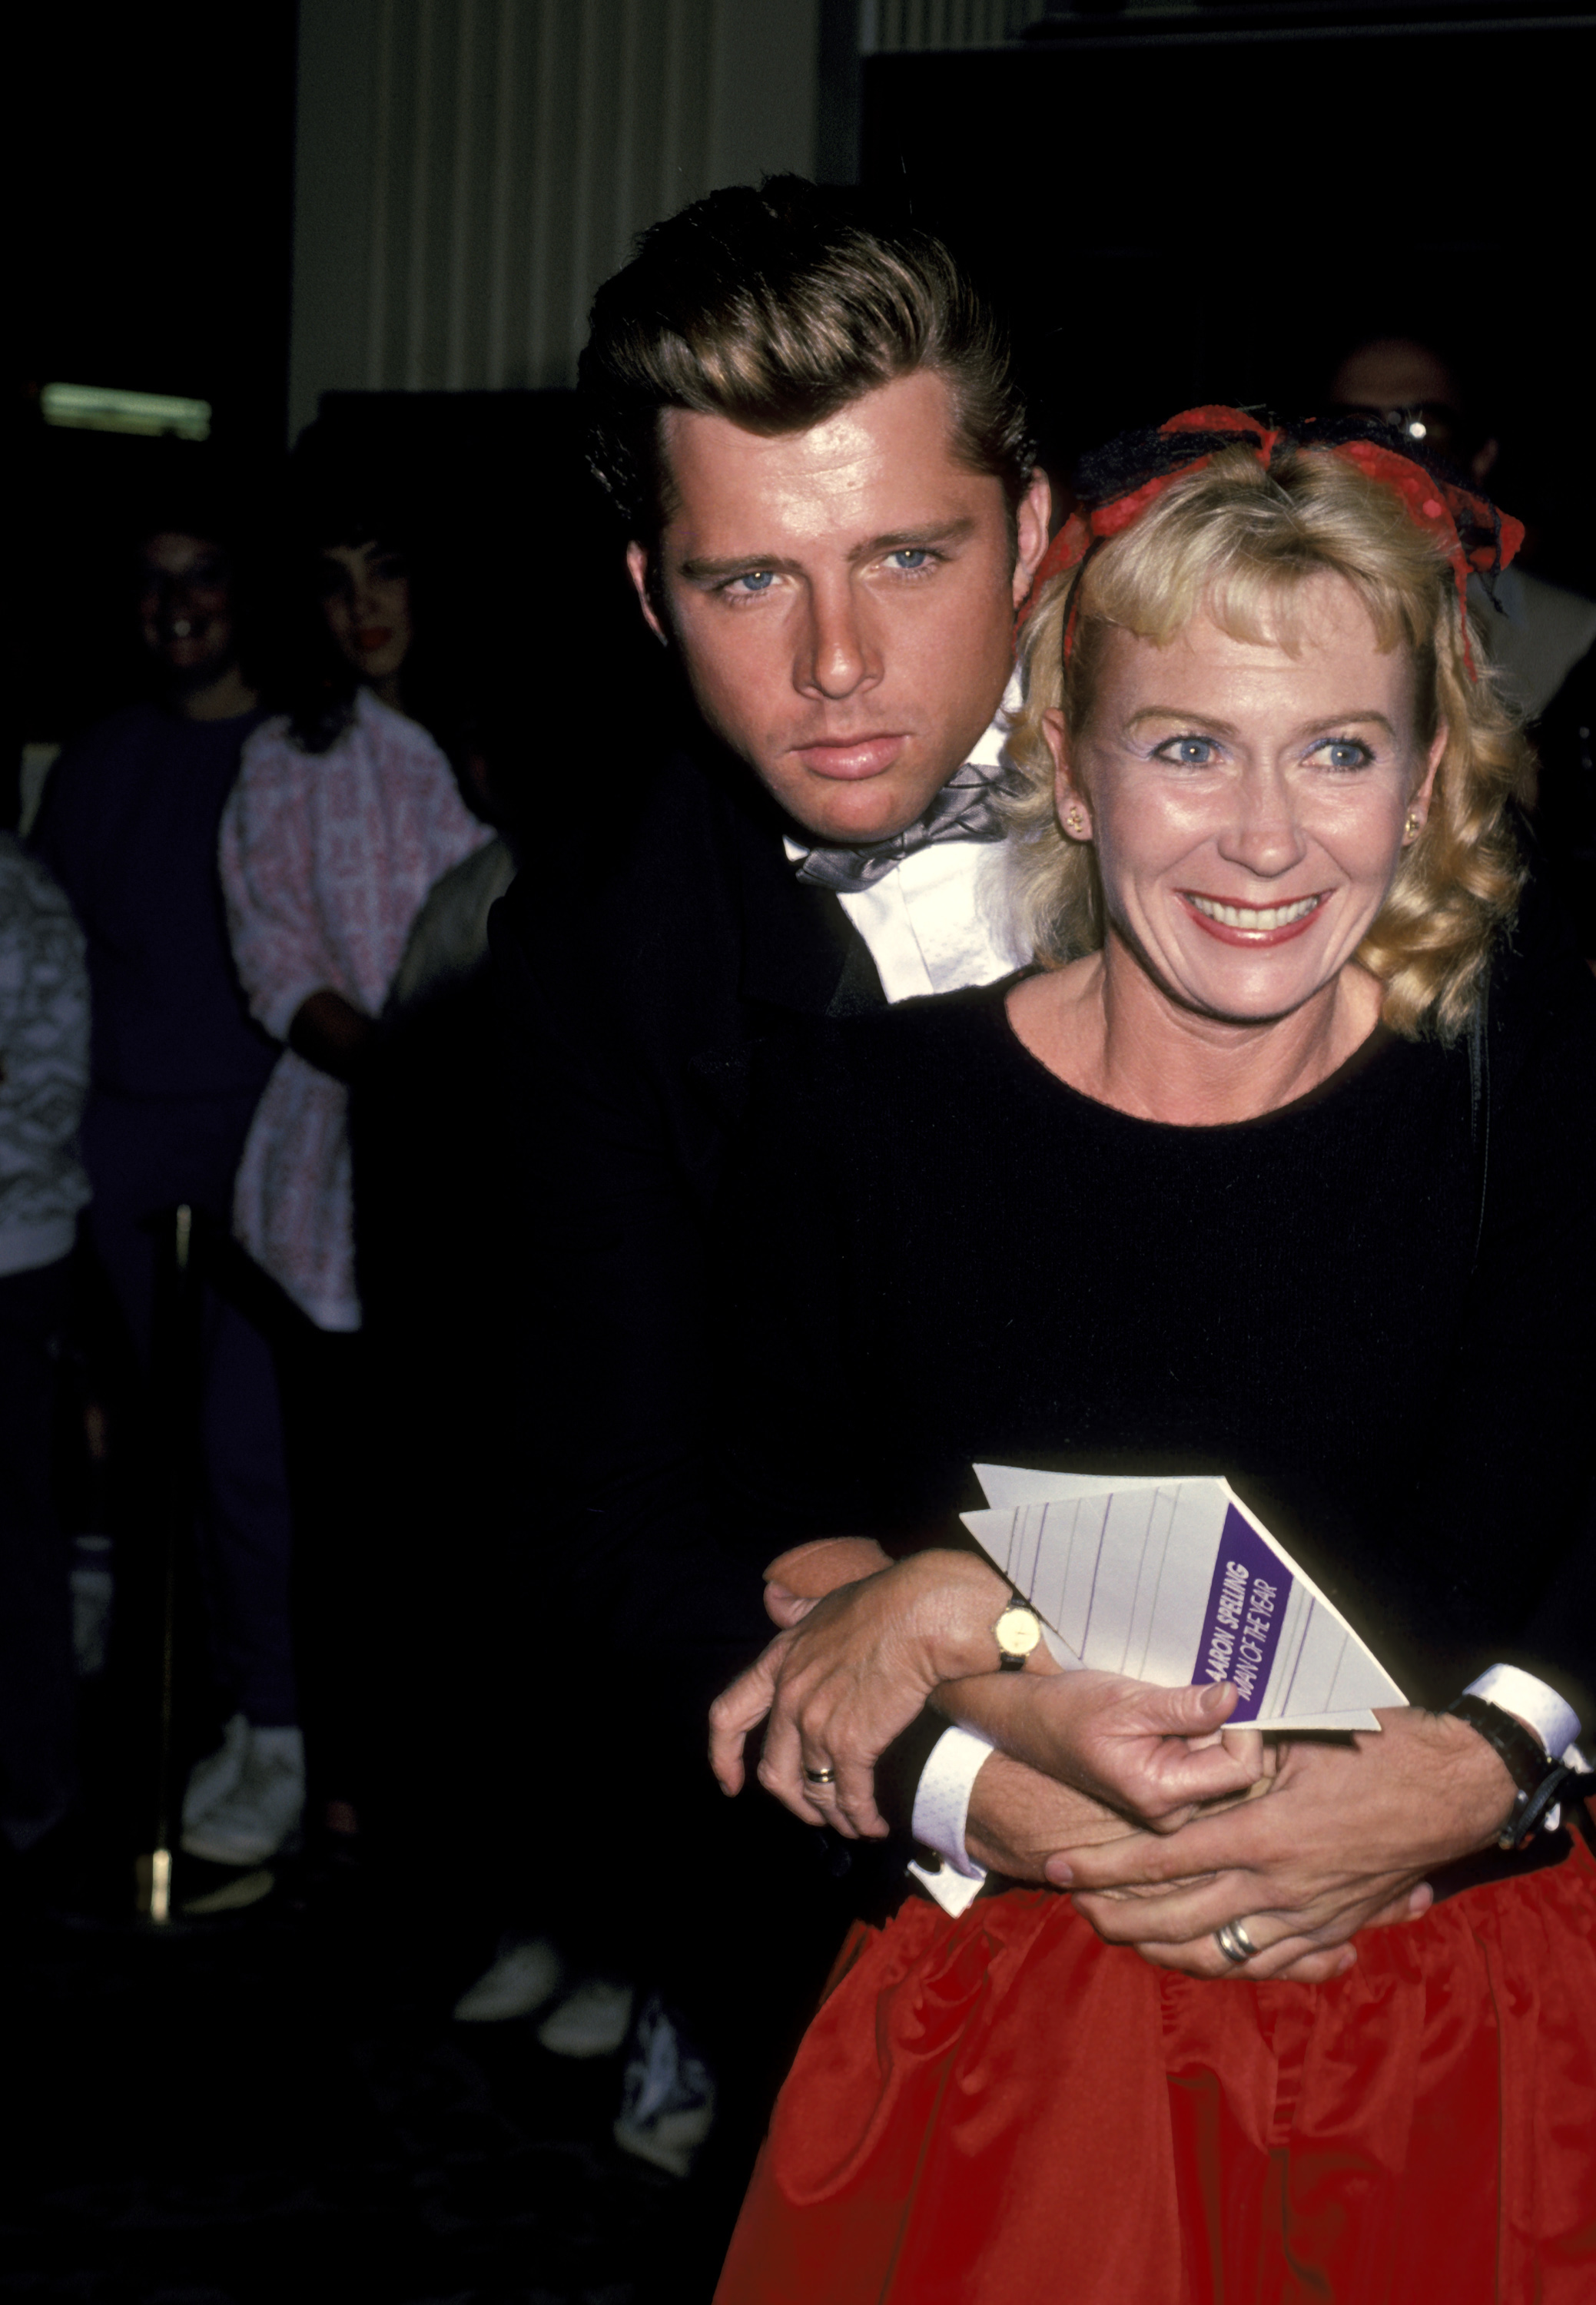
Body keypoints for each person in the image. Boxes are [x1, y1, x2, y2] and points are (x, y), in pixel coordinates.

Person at [708, 410, 1596, 2302]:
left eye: (1335, 751)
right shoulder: (862, 1117)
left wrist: (1505, 1749)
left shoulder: (1520, 1086)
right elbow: (753, 1546)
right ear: (1068, 766)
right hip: (1026, 2044)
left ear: (1425, 782)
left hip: (1471, 2031)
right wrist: (950, 1632)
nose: (1263, 836)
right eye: (1185, 744)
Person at [489, 178, 1165, 2166]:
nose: (838, 662)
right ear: (645, 593)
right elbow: (623, 1529)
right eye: (746, 582)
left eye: (905, 552)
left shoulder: (1289, 797)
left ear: (1034, 531)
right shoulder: (592, 966)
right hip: (901, 1894)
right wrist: (980, 1770)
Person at [220, 468, 493, 1849]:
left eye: (385, 570)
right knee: (345, 1522)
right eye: (334, 580)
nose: (364, 605)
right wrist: (406, 1079)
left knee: (473, 1530)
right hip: (339, 1188)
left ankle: (466, 1817)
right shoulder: (284, 760)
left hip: (501, 1178)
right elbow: (277, 963)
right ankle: (343, 1793)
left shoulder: (491, 741)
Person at [31, 502, 303, 1870]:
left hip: (262, 1160)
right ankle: (229, 1718)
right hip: (119, 1165)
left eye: (204, 578)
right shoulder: (98, 765)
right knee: (166, 1473)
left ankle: (283, 1724)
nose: (178, 606)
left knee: (251, 1462)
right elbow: (63, 987)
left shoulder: (295, 754)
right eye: (152, 585)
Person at [1329, 333, 1596, 721]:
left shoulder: (1574, 636)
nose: (1389, 456)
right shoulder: (1253, 615)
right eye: (1354, 430)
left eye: (1426, 431)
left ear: (1480, 459)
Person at [0, 833, 89, 1869]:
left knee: (12, 1535)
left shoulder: (22, 897)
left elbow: (46, 1091)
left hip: (14, 1256)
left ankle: (31, 1786)